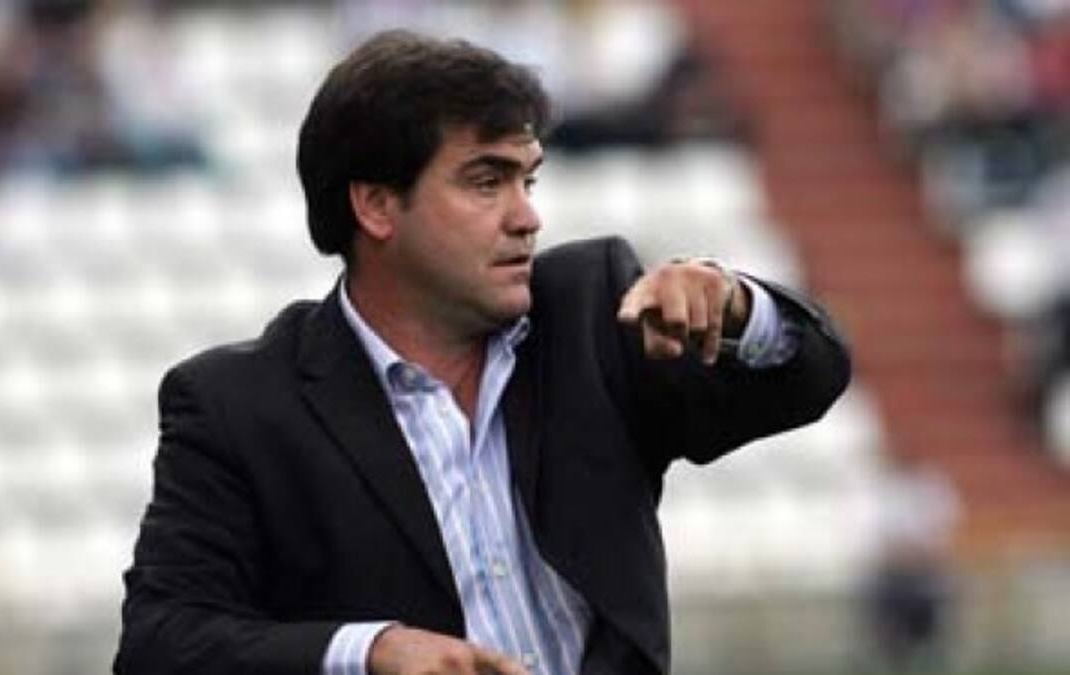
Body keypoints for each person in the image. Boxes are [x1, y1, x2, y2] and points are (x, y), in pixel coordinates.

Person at [114, 30, 851, 675]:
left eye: (528, 180)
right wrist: (372, 652)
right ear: (376, 206)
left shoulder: (593, 312)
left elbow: (809, 377)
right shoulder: (240, 404)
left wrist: (736, 305)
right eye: (486, 181)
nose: (528, 217)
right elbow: (160, 643)